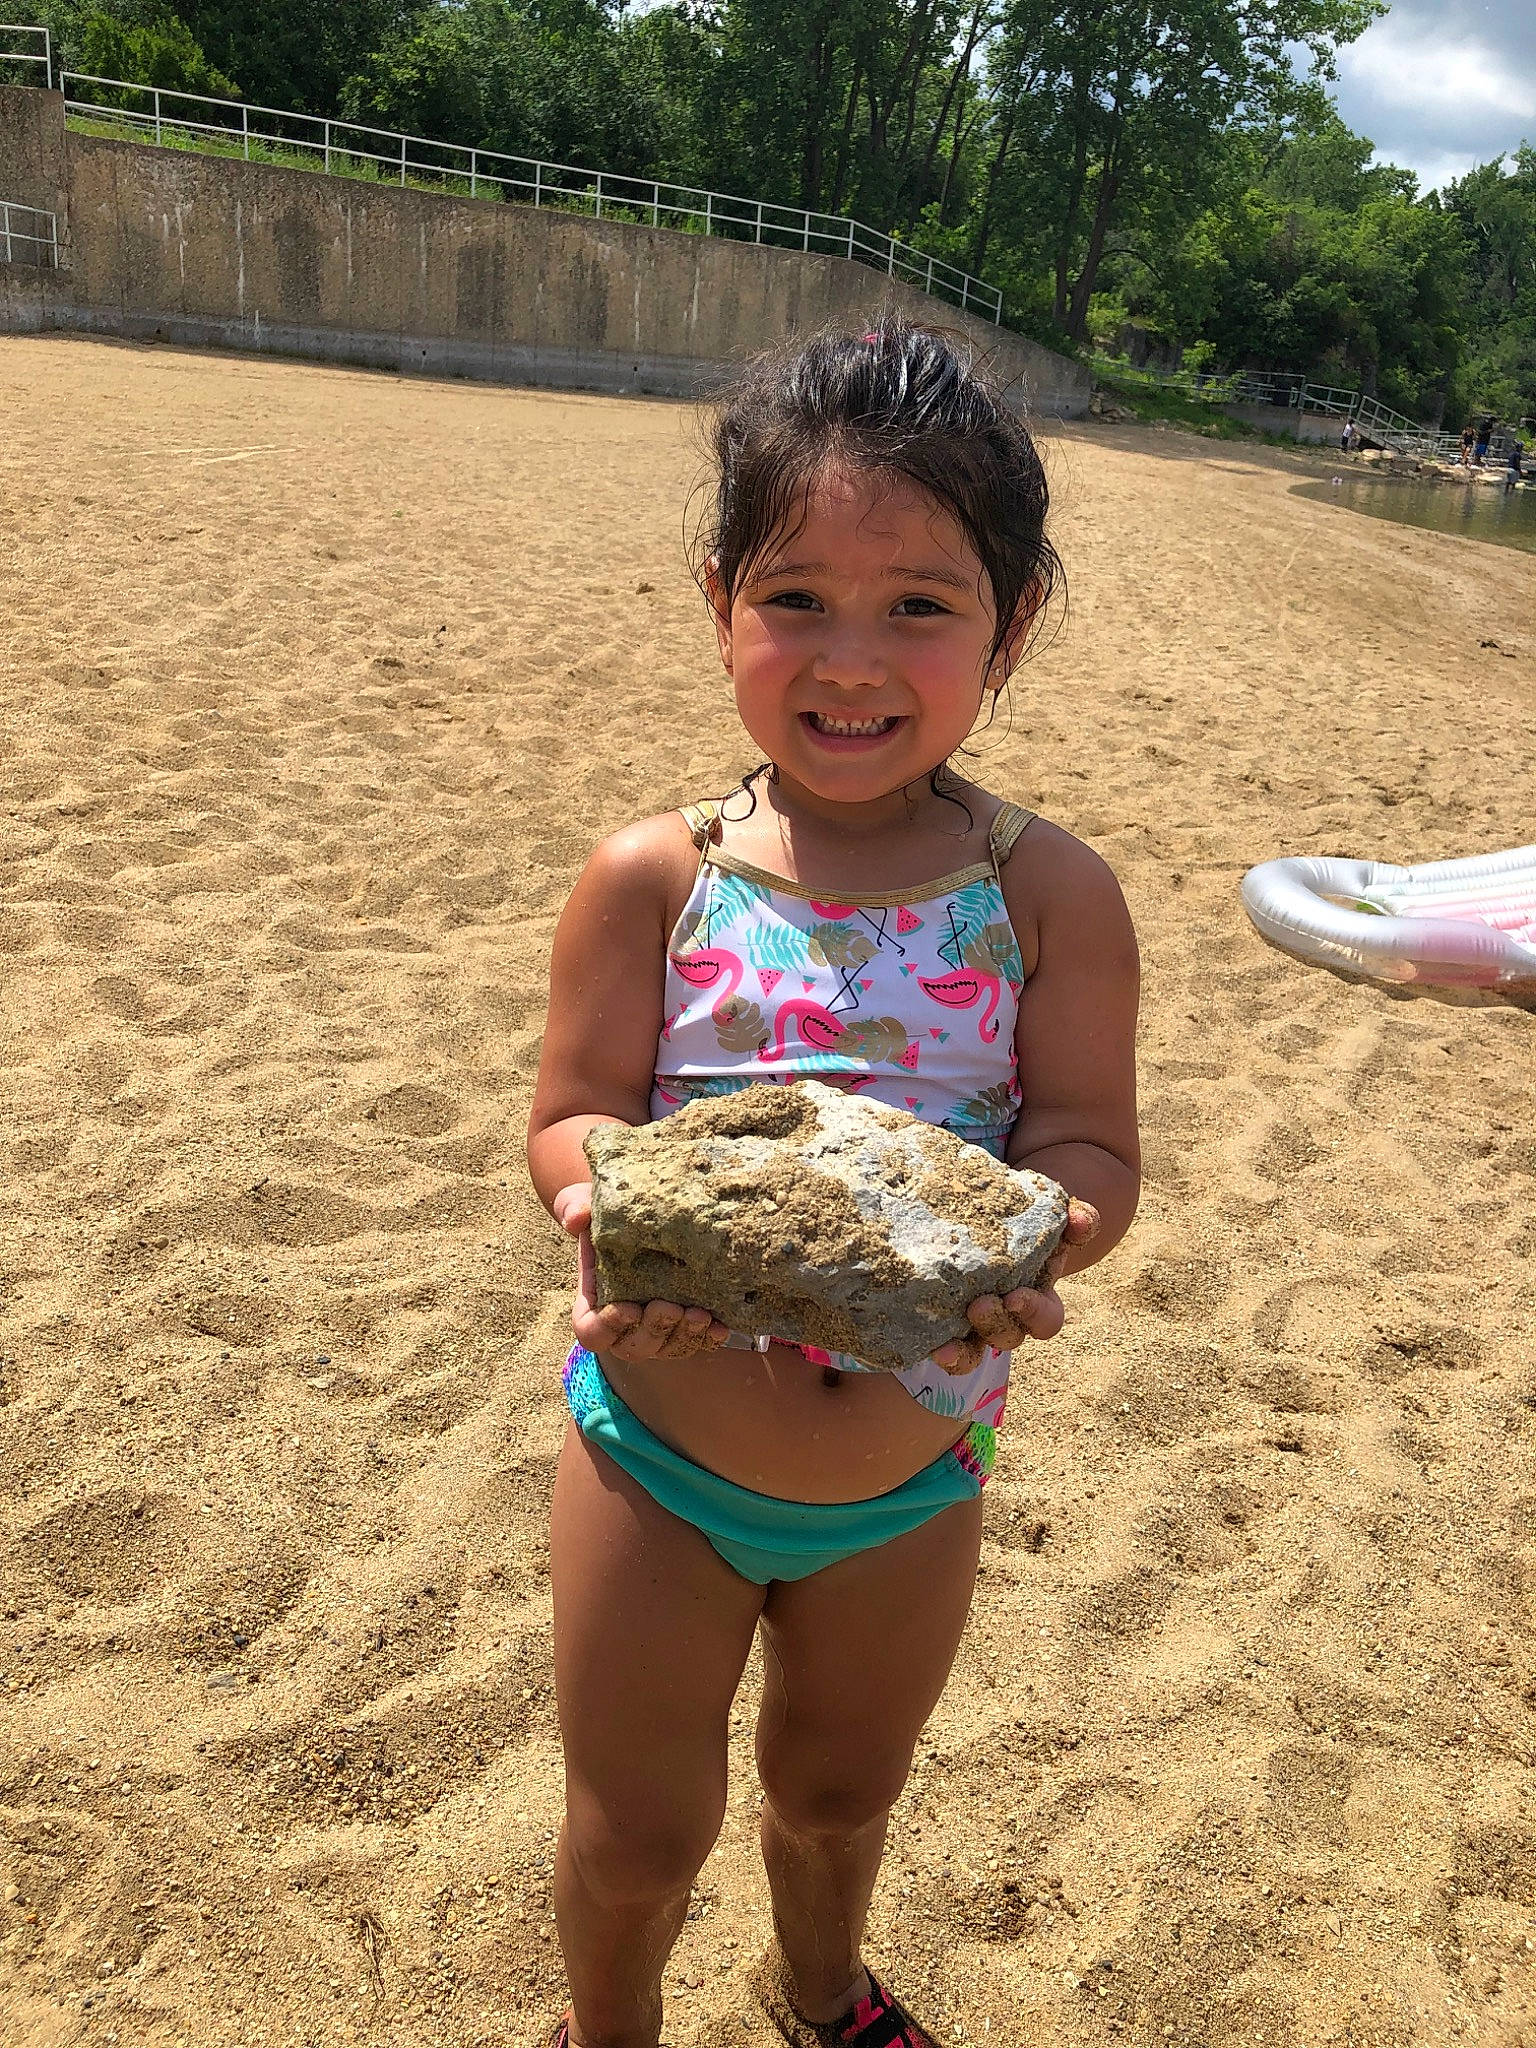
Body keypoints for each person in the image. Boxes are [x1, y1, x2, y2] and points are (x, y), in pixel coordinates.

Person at [526, 316, 1142, 2048]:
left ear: (1007, 628)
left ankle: (819, 1993)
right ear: (722, 597)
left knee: (835, 1796)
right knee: (640, 1830)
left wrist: (1058, 1230)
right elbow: (571, 1111)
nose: (851, 659)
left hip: (915, 1467)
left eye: (922, 607)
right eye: (796, 596)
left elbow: (1089, 1141)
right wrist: (605, 1200)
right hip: (656, 1447)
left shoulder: (1050, 897)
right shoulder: (653, 879)